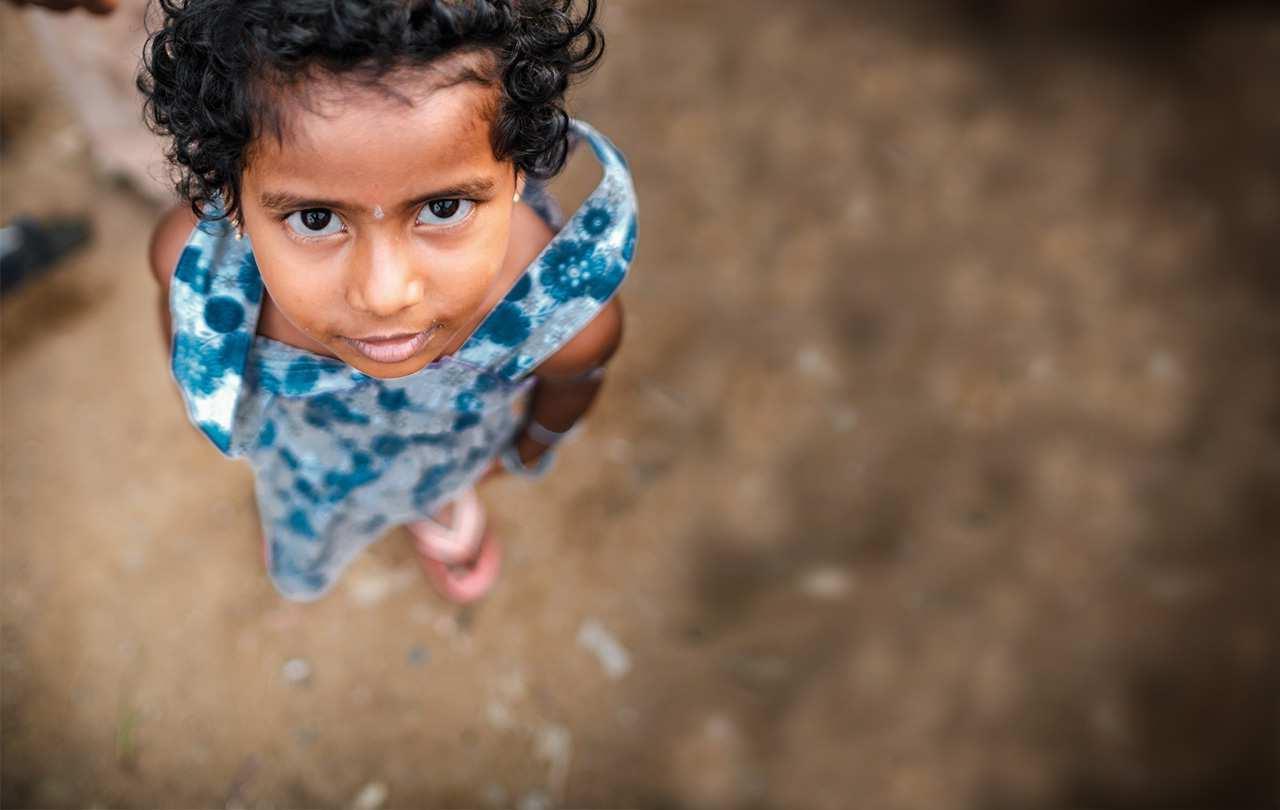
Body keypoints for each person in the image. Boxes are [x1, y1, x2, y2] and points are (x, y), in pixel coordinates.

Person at [140, 0, 636, 603]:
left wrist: (523, 453)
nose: (384, 294)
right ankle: (316, 528)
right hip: (311, 468)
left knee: (436, 485)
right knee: (310, 526)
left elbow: (574, 382)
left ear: (518, 174)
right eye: (316, 218)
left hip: (450, 455)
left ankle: (437, 503)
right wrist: (204, 399)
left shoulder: (557, 314)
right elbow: (184, 327)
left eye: (444, 207)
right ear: (230, 197)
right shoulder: (193, 268)